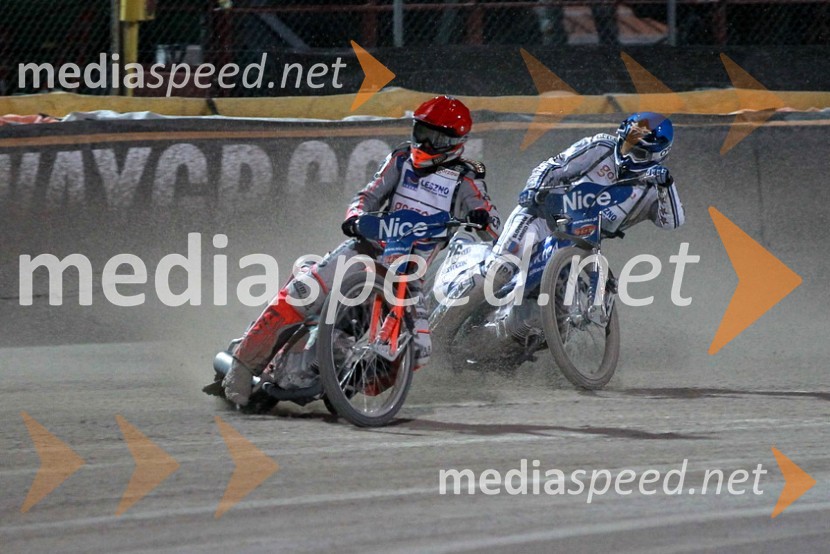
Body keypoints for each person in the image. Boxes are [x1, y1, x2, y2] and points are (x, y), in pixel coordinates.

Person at [221, 95, 502, 407]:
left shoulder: (467, 176)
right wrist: (355, 217)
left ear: (450, 141)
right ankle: (243, 366)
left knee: (420, 349)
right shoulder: (400, 159)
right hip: (365, 249)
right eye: (418, 131)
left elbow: (487, 216)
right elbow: (368, 195)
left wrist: (482, 218)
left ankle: (345, 382)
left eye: (429, 136)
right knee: (305, 290)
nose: (420, 140)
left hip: (408, 272)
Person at [432, 112, 684, 335]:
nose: (625, 155)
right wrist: (533, 189)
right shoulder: (599, 147)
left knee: (560, 310)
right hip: (542, 216)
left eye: (636, 152)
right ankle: (437, 334)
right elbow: (553, 166)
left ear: (657, 156)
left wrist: (667, 186)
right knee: (502, 267)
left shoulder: (652, 189)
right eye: (625, 144)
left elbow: (672, 222)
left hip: (582, 240)